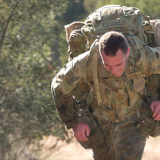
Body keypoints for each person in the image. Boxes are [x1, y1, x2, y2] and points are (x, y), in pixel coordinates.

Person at [51, 31, 160, 160]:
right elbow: (58, 86)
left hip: (133, 121)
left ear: (128, 52)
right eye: (107, 65)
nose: (114, 70)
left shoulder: (144, 57)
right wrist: (74, 121)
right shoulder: (88, 61)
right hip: (100, 123)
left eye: (119, 64)